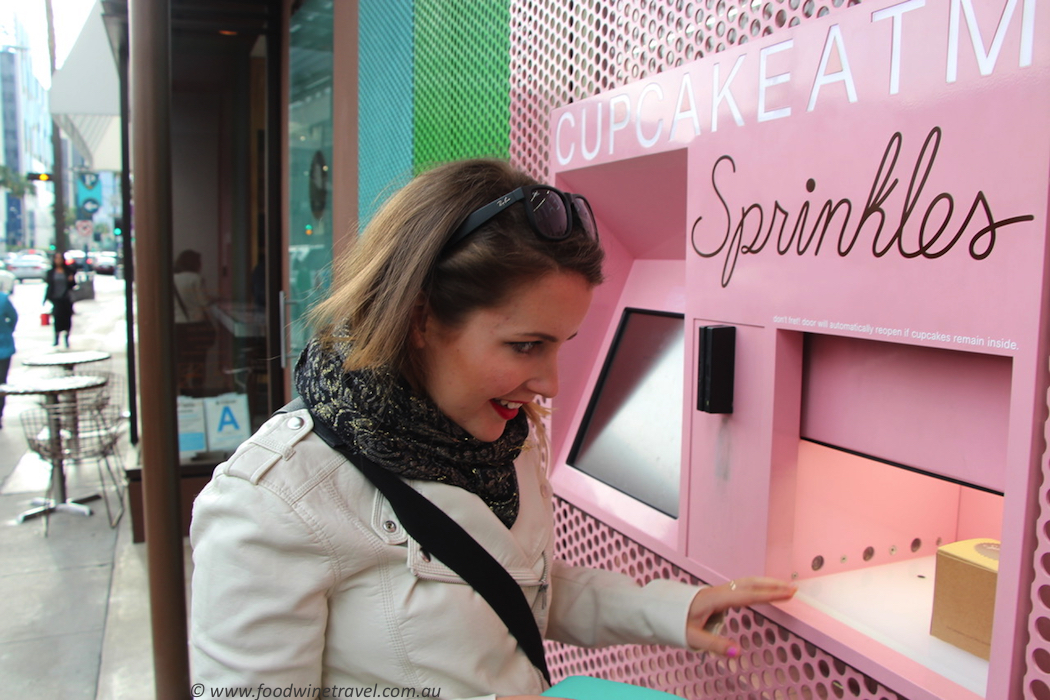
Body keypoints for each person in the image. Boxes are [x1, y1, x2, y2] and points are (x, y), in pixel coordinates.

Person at [190, 159, 796, 700]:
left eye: (561, 346)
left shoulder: (504, 436)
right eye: (525, 345)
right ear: (420, 317)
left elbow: (515, 579)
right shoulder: (273, 500)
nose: (552, 385)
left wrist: (667, 610)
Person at [173, 249, 215, 395]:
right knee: (198, 360)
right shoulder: (195, 278)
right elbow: (204, 302)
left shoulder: (172, 278)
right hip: (195, 325)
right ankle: (197, 388)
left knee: (181, 359)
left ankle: (183, 389)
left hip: (177, 326)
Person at [44, 252, 76, 348]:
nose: (58, 260)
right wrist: (46, 298)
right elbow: (49, 286)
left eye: (60, 258)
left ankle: (66, 338)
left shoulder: (68, 271)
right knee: (57, 318)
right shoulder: (51, 272)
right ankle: (56, 338)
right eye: (56, 258)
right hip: (56, 299)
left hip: (66, 298)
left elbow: (73, 285)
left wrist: (71, 279)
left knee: (67, 319)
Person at [0, 287, 17, 427]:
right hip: (4, 346)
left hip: (3, 348)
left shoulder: (3, 299)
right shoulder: (3, 298)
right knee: (1, 383)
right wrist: (7, 331)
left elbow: (13, 317)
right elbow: (13, 318)